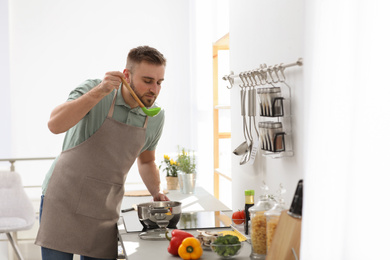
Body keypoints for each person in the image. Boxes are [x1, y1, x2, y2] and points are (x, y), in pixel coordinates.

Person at [35, 46, 169, 260]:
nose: (154, 89)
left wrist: (156, 192)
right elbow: (54, 124)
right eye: (147, 80)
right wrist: (99, 92)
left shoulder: (155, 117)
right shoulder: (95, 89)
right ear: (126, 75)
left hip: (104, 208)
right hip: (63, 200)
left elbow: (146, 160)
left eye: (159, 82)